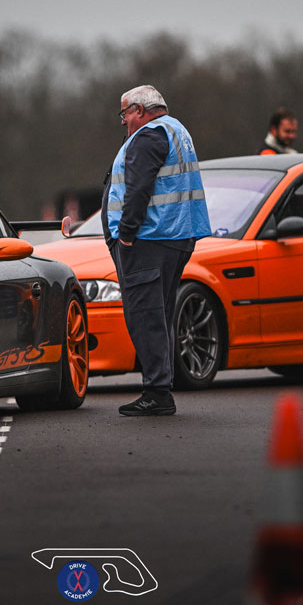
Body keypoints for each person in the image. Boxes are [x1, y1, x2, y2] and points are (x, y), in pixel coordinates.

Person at [102, 85, 211, 416]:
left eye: (124, 113)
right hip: (175, 235)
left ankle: (157, 392)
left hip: (149, 238)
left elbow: (138, 189)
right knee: (159, 312)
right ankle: (160, 386)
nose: (123, 122)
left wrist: (126, 234)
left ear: (138, 109)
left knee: (145, 314)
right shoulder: (177, 130)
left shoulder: (149, 136)